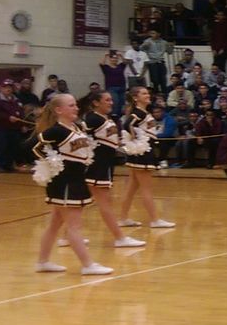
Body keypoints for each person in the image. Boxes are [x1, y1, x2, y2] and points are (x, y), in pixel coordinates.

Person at [31, 93, 114, 276]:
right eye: (71, 105)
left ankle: (42, 262)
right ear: (59, 110)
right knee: (74, 226)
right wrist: (52, 164)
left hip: (77, 180)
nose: (76, 108)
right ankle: (88, 264)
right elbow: (36, 147)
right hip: (65, 182)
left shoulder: (76, 127)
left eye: (75, 105)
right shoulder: (56, 130)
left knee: (54, 224)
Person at [78, 91, 145, 249]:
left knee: (79, 202)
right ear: (96, 103)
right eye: (107, 100)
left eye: (111, 100)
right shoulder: (92, 118)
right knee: (104, 203)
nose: (111, 102)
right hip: (97, 165)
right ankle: (120, 237)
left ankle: (67, 237)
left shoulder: (103, 118)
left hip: (106, 163)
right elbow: (81, 134)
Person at [116, 88, 175, 229]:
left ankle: (123, 218)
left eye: (148, 93)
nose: (148, 95)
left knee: (131, 188)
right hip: (142, 153)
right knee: (146, 188)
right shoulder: (139, 112)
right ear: (135, 98)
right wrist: (135, 141)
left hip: (140, 152)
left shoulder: (143, 112)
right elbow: (126, 124)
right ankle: (155, 220)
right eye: (144, 94)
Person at [0, 79, 25, 173]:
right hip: (2, 128)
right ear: (1, 88)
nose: (8, 89)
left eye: (10, 87)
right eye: (6, 87)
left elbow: (21, 112)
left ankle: (9, 165)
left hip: (15, 128)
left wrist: (22, 124)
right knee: (2, 146)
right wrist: (8, 117)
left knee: (13, 146)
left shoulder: (16, 99)